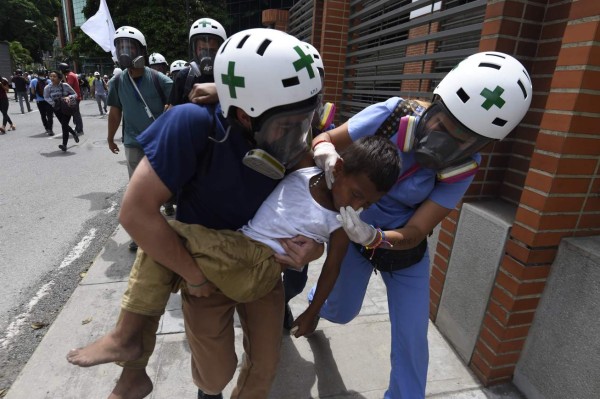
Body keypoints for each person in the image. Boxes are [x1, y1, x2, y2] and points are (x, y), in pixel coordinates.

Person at [66, 28, 325, 399]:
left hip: (264, 266)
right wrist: (194, 277)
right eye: (285, 126)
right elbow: (136, 213)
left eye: (303, 123)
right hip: (205, 272)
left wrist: (313, 248)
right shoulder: (193, 124)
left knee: (265, 366)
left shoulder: (286, 123)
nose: (296, 139)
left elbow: (328, 200)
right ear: (244, 114)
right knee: (214, 374)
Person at [306, 51, 533, 399]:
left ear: (482, 144)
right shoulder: (392, 114)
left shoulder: (463, 169)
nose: (443, 143)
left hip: (400, 251)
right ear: (434, 105)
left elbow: (415, 232)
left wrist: (376, 237)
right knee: (340, 311)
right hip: (353, 234)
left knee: (413, 340)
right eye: (442, 125)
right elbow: (326, 139)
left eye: (462, 140)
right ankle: (320, 302)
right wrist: (326, 154)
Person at [67, 134, 399, 363]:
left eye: (367, 203)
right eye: (356, 194)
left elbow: (333, 267)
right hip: (238, 251)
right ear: (337, 168)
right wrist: (218, 90)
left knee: (167, 235)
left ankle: (128, 343)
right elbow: (290, 127)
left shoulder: (342, 222)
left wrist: (312, 312)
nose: (358, 206)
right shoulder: (306, 167)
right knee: (162, 256)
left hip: (258, 263)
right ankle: (135, 364)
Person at [107, 25, 172, 251]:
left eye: (130, 46)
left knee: (166, 183)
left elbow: (177, 99)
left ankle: (170, 206)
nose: (125, 51)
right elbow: (115, 111)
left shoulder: (159, 78)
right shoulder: (116, 82)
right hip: (134, 143)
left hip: (160, 143)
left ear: (141, 50)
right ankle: (141, 234)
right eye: (120, 46)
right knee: (138, 190)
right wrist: (110, 137)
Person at [167, 17, 226, 107]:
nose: (207, 56)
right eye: (202, 50)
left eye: (213, 50)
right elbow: (173, 111)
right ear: (194, 50)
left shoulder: (229, 76)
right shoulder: (184, 77)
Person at [43, 70, 80, 152]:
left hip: (66, 107)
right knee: (64, 124)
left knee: (64, 125)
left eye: (54, 76)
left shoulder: (65, 85)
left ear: (59, 78)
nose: (52, 78)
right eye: (51, 76)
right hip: (56, 108)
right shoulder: (47, 88)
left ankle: (64, 145)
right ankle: (74, 133)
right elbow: (46, 97)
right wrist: (53, 103)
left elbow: (75, 94)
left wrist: (69, 97)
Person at [58, 63, 84, 135]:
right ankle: (77, 128)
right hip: (74, 97)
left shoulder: (70, 76)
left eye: (60, 70)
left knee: (76, 114)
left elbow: (68, 86)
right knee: (74, 113)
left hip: (74, 97)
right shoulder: (70, 74)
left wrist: (63, 78)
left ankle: (79, 129)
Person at [30, 70, 55, 136]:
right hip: (48, 100)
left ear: (37, 74)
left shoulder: (33, 81)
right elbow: (52, 91)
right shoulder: (49, 81)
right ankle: (50, 129)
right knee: (49, 115)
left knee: (43, 115)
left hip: (39, 101)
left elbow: (32, 92)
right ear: (44, 74)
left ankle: (46, 128)